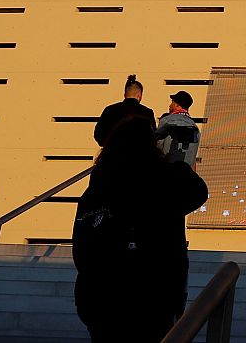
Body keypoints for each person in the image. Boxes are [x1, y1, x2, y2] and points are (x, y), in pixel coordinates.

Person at [73, 115, 208, 343]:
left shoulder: (97, 186)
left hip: (98, 299)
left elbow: (82, 247)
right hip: (152, 297)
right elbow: (197, 193)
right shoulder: (162, 179)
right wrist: (180, 164)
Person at [94, 75, 155, 147]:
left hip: (113, 154)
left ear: (125, 94)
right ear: (140, 95)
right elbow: (153, 137)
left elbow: (98, 134)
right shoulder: (147, 112)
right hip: (139, 155)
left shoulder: (110, 110)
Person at [155, 90, 201, 169]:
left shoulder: (167, 121)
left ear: (176, 105)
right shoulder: (194, 128)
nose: (170, 105)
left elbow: (158, 147)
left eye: (172, 102)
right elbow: (192, 156)